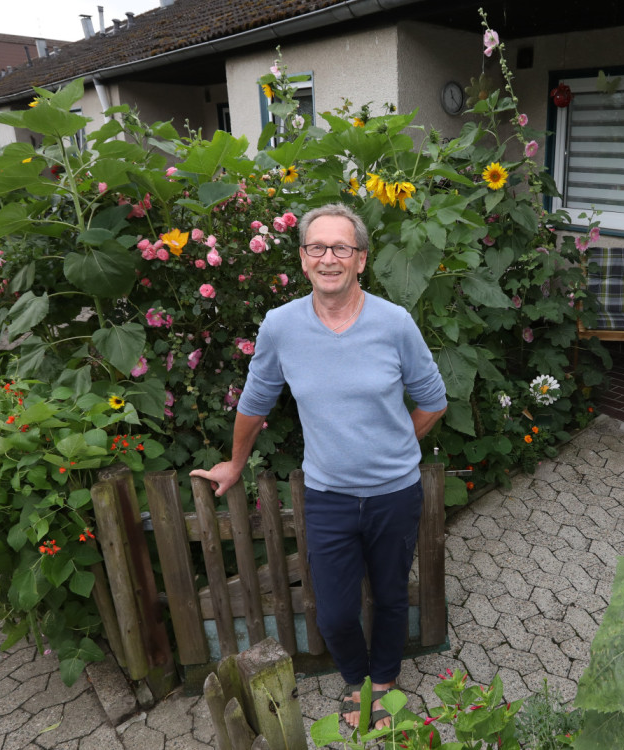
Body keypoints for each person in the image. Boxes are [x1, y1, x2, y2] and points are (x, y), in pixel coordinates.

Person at [191, 203, 447, 731]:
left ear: (361, 260)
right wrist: (235, 465)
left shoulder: (394, 323)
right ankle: (356, 679)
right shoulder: (281, 326)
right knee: (333, 612)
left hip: (395, 493)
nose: (329, 257)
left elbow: (433, 399)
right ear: (304, 259)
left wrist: (397, 445)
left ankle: (386, 679)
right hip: (327, 496)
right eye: (317, 247)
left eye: (341, 248)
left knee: (393, 595)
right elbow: (255, 404)